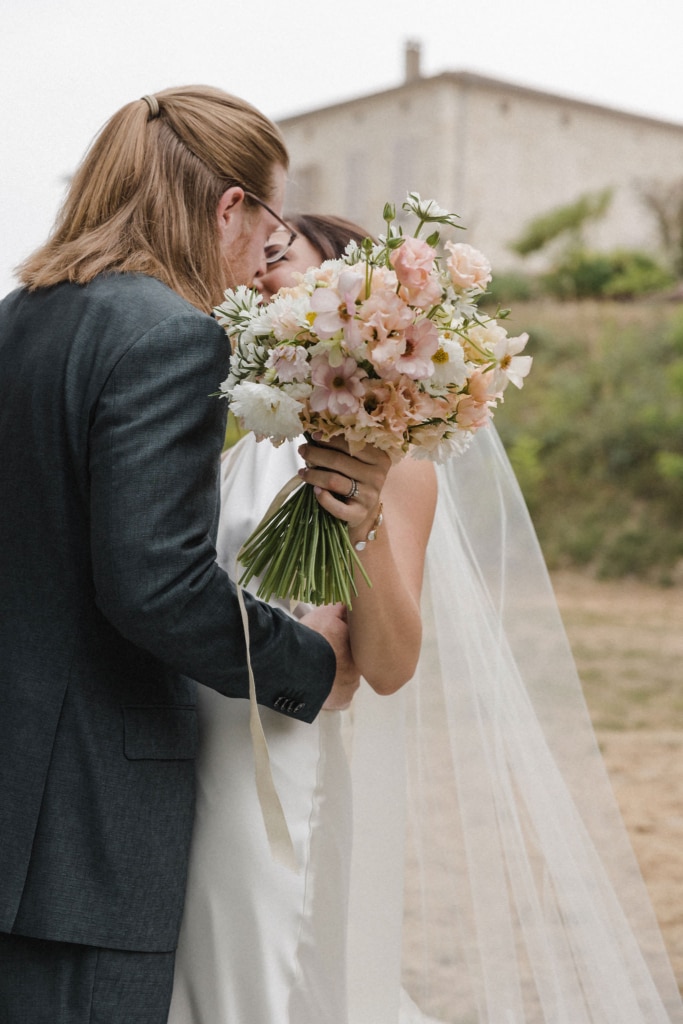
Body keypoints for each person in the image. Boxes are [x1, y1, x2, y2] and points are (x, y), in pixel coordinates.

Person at [170, 213, 683, 1024]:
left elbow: (389, 663)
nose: (256, 277)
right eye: (247, 266)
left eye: (278, 257)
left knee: (262, 977)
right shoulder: (234, 451)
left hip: (276, 764)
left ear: (346, 293)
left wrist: (362, 514)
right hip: (185, 757)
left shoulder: (391, 464)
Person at [0, 95, 360, 1024]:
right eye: (270, 223)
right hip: (88, 825)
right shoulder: (169, 334)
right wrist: (308, 662)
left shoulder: (19, 319)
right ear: (229, 207)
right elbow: (153, 583)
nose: (262, 254)